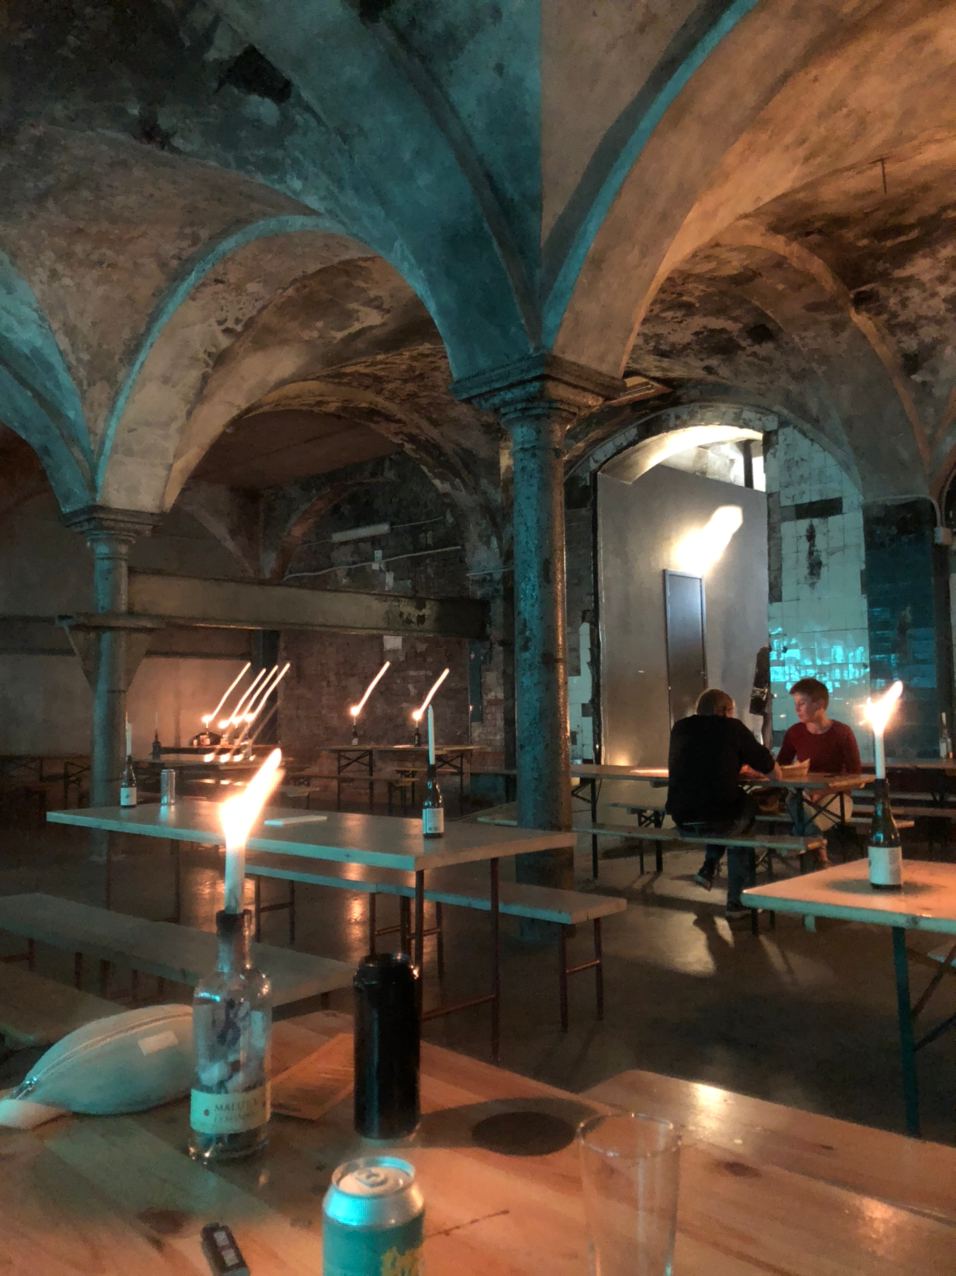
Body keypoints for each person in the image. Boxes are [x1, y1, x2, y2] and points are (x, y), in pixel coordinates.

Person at [666, 688, 780, 921]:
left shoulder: (680, 728)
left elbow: (706, 761)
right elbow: (773, 771)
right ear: (724, 711)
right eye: (731, 711)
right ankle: (738, 902)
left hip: (682, 818)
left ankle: (709, 866)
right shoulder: (732, 728)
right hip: (720, 817)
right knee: (742, 819)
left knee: (722, 813)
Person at [778, 678, 861, 835]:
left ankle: (801, 839)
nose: (797, 709)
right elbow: (781, 765)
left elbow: (855, 774)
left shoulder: (842, 732)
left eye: (802, 703)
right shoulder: (794, 732)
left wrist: (823, 791)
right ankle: (815, 845)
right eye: (795, 704)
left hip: (837, 795)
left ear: (819, 704)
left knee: (806, 820)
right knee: (795, 802)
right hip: (804, 794)